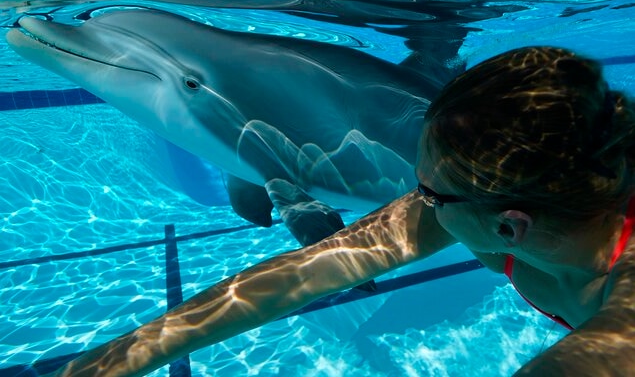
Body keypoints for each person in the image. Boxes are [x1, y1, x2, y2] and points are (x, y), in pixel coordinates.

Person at [51, 46, 635, 376]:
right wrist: (113, 359)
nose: (413, 205)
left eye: (428, 194)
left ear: (510, 226)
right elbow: (307, 273)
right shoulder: (514, 208)